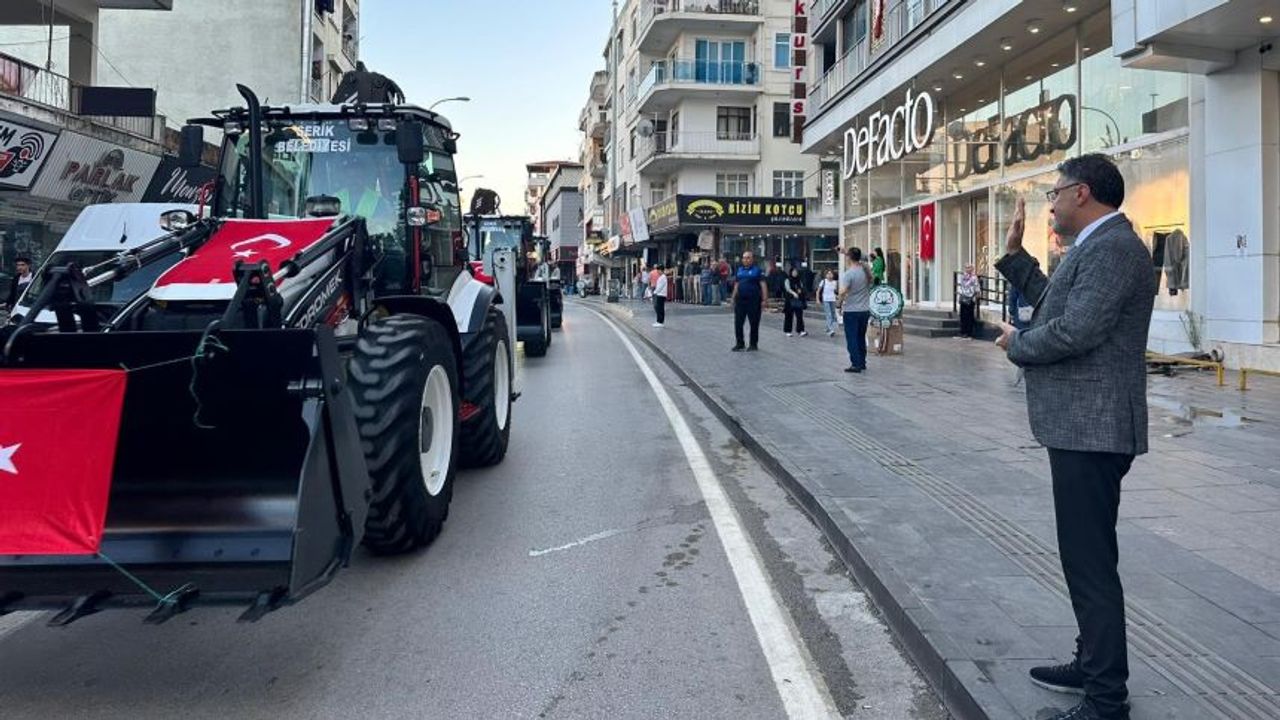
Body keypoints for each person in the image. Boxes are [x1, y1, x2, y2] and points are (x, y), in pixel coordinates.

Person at [995, 154, 1156, 720]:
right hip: (1082, 425)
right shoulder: (1094, 246)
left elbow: (1077, 329)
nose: (1051, 204)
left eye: (1055, 193)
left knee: (1089, 564)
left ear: (1082, 193)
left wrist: (1017, 344)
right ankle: (1091, 664)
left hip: (1095, 426)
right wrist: (1015, 257)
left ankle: (1106, 698)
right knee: (1084, 557)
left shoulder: (1114, 247)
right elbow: (1056, 302)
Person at [837, 248, 873, 373]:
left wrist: (838, 304)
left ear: (848, 258)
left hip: (852, 310)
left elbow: (842, 292)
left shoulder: (849, 274)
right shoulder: (866, 271)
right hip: (864, 310)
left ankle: (855, 364)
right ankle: (862, 362)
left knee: (852, 337)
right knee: (860, 337)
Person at [730, 250, 767, 351]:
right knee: (738, 323)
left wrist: (764, 300)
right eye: (744, 258)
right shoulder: (739, 270)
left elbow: (763, 285)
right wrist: (733, 298)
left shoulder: (757, 270)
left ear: (752, 259)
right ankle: (739, 343)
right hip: (740, 301)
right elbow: (736, 285)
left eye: (748, 258)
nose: (745, 260)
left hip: (754, 301)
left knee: (754, 323)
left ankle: (753, 344)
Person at [956, 263, 980, 339]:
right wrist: (959, 295)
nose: (968, 269)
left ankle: (969, 333)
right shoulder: (963, 276)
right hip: (963, 297)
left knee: (969, 315)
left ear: (972, 269)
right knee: (963, 315)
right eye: (966, 267)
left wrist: (977, 294)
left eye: (969, 268)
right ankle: (963, 332)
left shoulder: (974, 277)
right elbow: (961, 286)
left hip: (970, 298)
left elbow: (976, 286)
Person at [783, 267, 808, 337]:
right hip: (790, 300)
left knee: (799, 316)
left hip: (798, 300)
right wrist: (793, 293)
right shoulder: (787, 280)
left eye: (796, 272)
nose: (795, 273)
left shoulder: (799, 280)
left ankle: (800, 330)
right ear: (791, 272)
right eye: (793, 272)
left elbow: (802, 288)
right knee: (789, 316)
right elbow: (787, 289)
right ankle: (788, 331)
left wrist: (800, 291)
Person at [817, 269, 839, 336]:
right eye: (828, 274)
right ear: (825, 275)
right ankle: (831, 329)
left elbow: (835, 292)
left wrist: (838, 298)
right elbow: (818, 291)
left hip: (833, 300)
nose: (829, 275)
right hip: (826, 300)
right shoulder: (823, 281)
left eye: (831, 274)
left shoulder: (835, 282)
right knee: (829, 314)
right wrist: (818, 299)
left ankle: (828, 327)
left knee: (832, 314)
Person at [651, 263, 668, 327]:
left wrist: (655, 292)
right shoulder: (661, 277)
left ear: (661, 270)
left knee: (660, 308)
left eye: (658, 270)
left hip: (661, 294)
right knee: (659, 308)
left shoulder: (663, 277)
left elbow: (660, 287)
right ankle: (658, 321)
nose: (657, 271)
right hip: (659, 294)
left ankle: (660, 322)